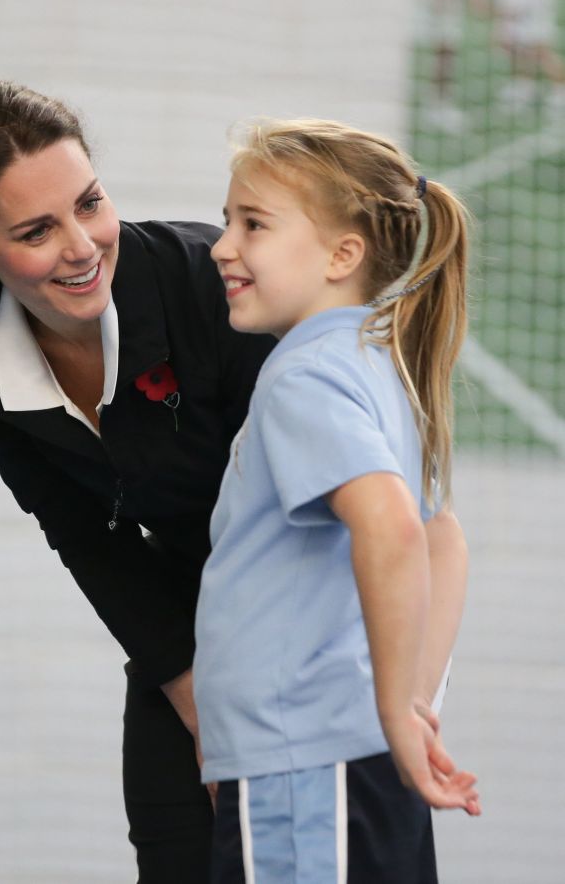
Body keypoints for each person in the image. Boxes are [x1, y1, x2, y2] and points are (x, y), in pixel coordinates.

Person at [0, 80, 273, 884]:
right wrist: (195, 704)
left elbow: (325, 511)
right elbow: (80, 531)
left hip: (309, 609)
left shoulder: (205, 285)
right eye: (37, 230)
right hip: (181, 620)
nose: (81, 245)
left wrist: (255, 717)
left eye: (90, 203)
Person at [193, 119, 481, 883]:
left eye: (252, 223)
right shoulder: (379, 367)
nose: (223, 245)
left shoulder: (305, 377)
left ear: (341, 254)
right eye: (227, 221)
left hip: (309, 766)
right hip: (339, 759)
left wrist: (392, 716)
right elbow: (440, 538)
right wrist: (406, 710)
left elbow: (392, 526)